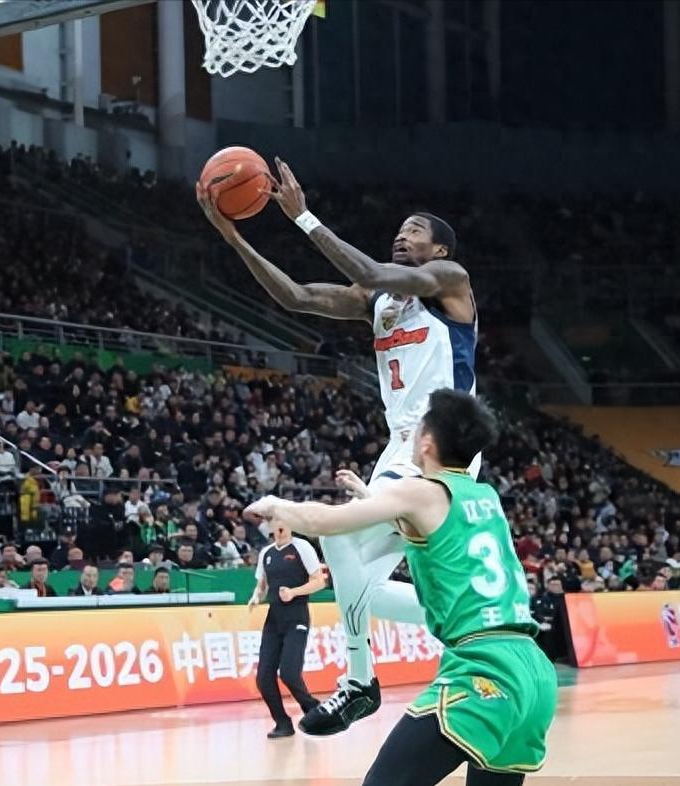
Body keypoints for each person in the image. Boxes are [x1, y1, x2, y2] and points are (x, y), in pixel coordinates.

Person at [199, 159, 478, 735]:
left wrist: (301, 216)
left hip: (444, 444)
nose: (402, 234)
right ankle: (475, 624)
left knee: (339, 532)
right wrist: (233, 237)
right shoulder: (378, 300)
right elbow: (298, 296)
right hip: (399, 449)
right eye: (399, 228)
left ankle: (359, 681)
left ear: (440, 249)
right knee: (359, 581)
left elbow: (373, 272)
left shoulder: (450, 281)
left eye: (415, 230)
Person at [245, 390, 554, 784]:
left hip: (484, 670)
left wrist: (276, 506)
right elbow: (430, 527)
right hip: (534, 672)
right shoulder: (486, 496)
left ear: (427, 441)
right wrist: (369, 496)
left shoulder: (419, 490)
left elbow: (324, 523)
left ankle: (360, 679)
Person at [247, 520, 325, 739]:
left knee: (289, 673)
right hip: (274, 619)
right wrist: (256, 597)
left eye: (283, 520)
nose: (280, 525)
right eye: (275, 521)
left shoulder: (302, 547)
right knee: (263, 678)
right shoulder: (266, 553)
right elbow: (262, 586)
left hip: (296, 616)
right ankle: (282, 723)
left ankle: (312, 709)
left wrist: (294, 592)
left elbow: (319, 581)